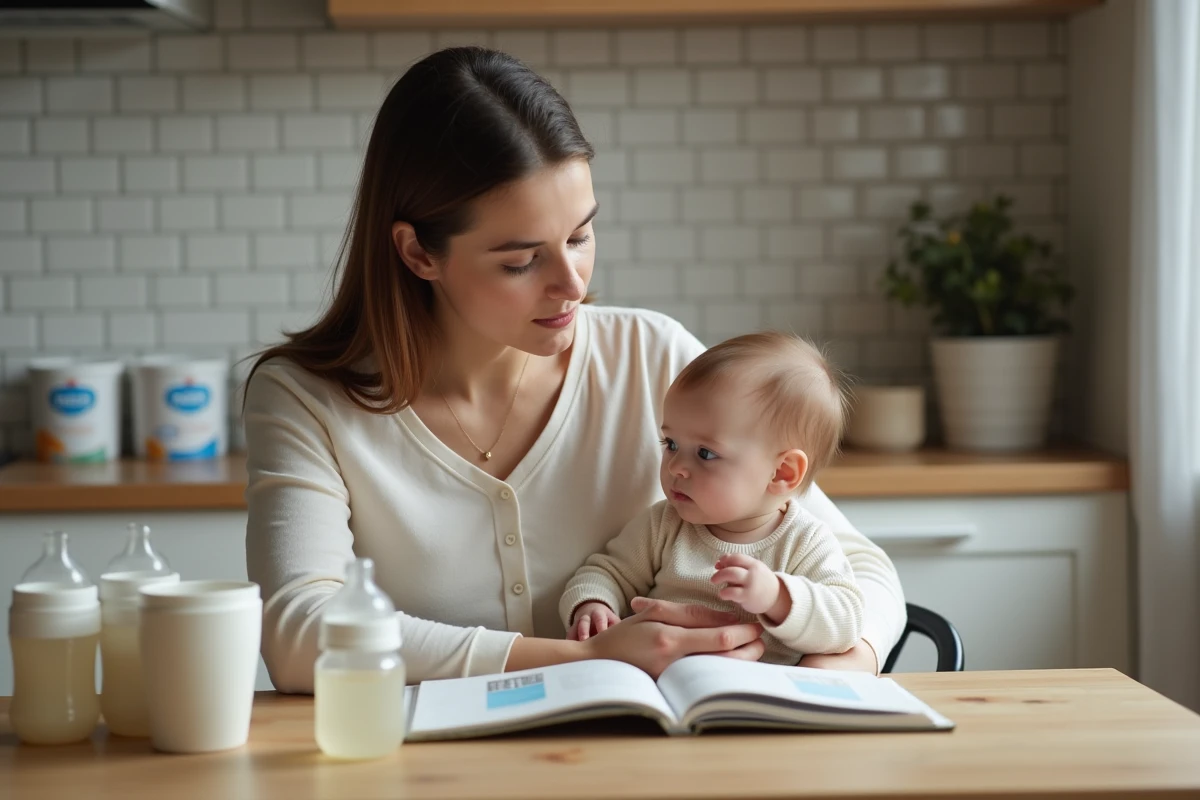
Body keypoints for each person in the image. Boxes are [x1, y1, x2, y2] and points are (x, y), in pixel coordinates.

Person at [243, 46, 906, 694]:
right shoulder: (305, 400)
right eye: (521, 259)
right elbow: (299, 636)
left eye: (581, 235)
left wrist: (822, 682)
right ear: (418, 252)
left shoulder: (654, 357)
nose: (572, 283)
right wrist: (583, 657)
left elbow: (863, 572)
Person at [562, 332, 863, 665]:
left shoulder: (805, 542)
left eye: (705, 453)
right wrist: (593, 605)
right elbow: (606, 572)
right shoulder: (663, 525)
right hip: (663, 686)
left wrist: (777, 596)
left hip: (759, 702)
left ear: (782, 473)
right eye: (671, 444)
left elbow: (846, 621)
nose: (677, 467)